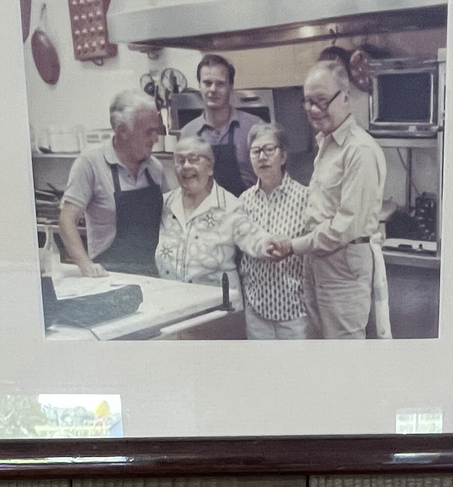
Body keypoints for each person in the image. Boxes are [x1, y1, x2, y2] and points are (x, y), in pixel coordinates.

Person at [265, 58, 388, 340]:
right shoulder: (327, 142)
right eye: (307, 101)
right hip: (318, 262)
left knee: (344, 356)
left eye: (320, 100)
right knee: (321, 348)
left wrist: (293, 246)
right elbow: (322, 210)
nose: (312, 110)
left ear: (345, 98)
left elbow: (345, 227)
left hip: (344, 265)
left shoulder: (360, 151)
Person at [57, 89, 168, 277]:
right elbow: (66, 220)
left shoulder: (154, 168)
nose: (155, 139)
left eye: (156, 131)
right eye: (149, 132)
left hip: (153, 271)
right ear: (123, 131)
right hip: (110, 273)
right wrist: (86, 265)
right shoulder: (90, 163)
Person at [231, 122, 310, 340]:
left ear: (283, 156)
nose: (262, 157)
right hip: (256, 310)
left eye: (269, 150)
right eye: (256, 151)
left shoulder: (306, 198)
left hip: (295, 311)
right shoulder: (243, 201)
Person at [155, 133, 241, 302]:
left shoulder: (232, 207)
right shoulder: (163, 204)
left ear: (210, 168)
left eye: (194, 159)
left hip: (217, 310)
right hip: (171, 304)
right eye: (180, 161)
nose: (186, 166)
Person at [177, 54, 256, 196]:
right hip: (204, 214)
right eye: (207, 83)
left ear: (231, 86)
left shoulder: (253, 127)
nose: (213, 89)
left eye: (220, 83)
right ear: (199, 86)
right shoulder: (188, 134)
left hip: (247, 214)